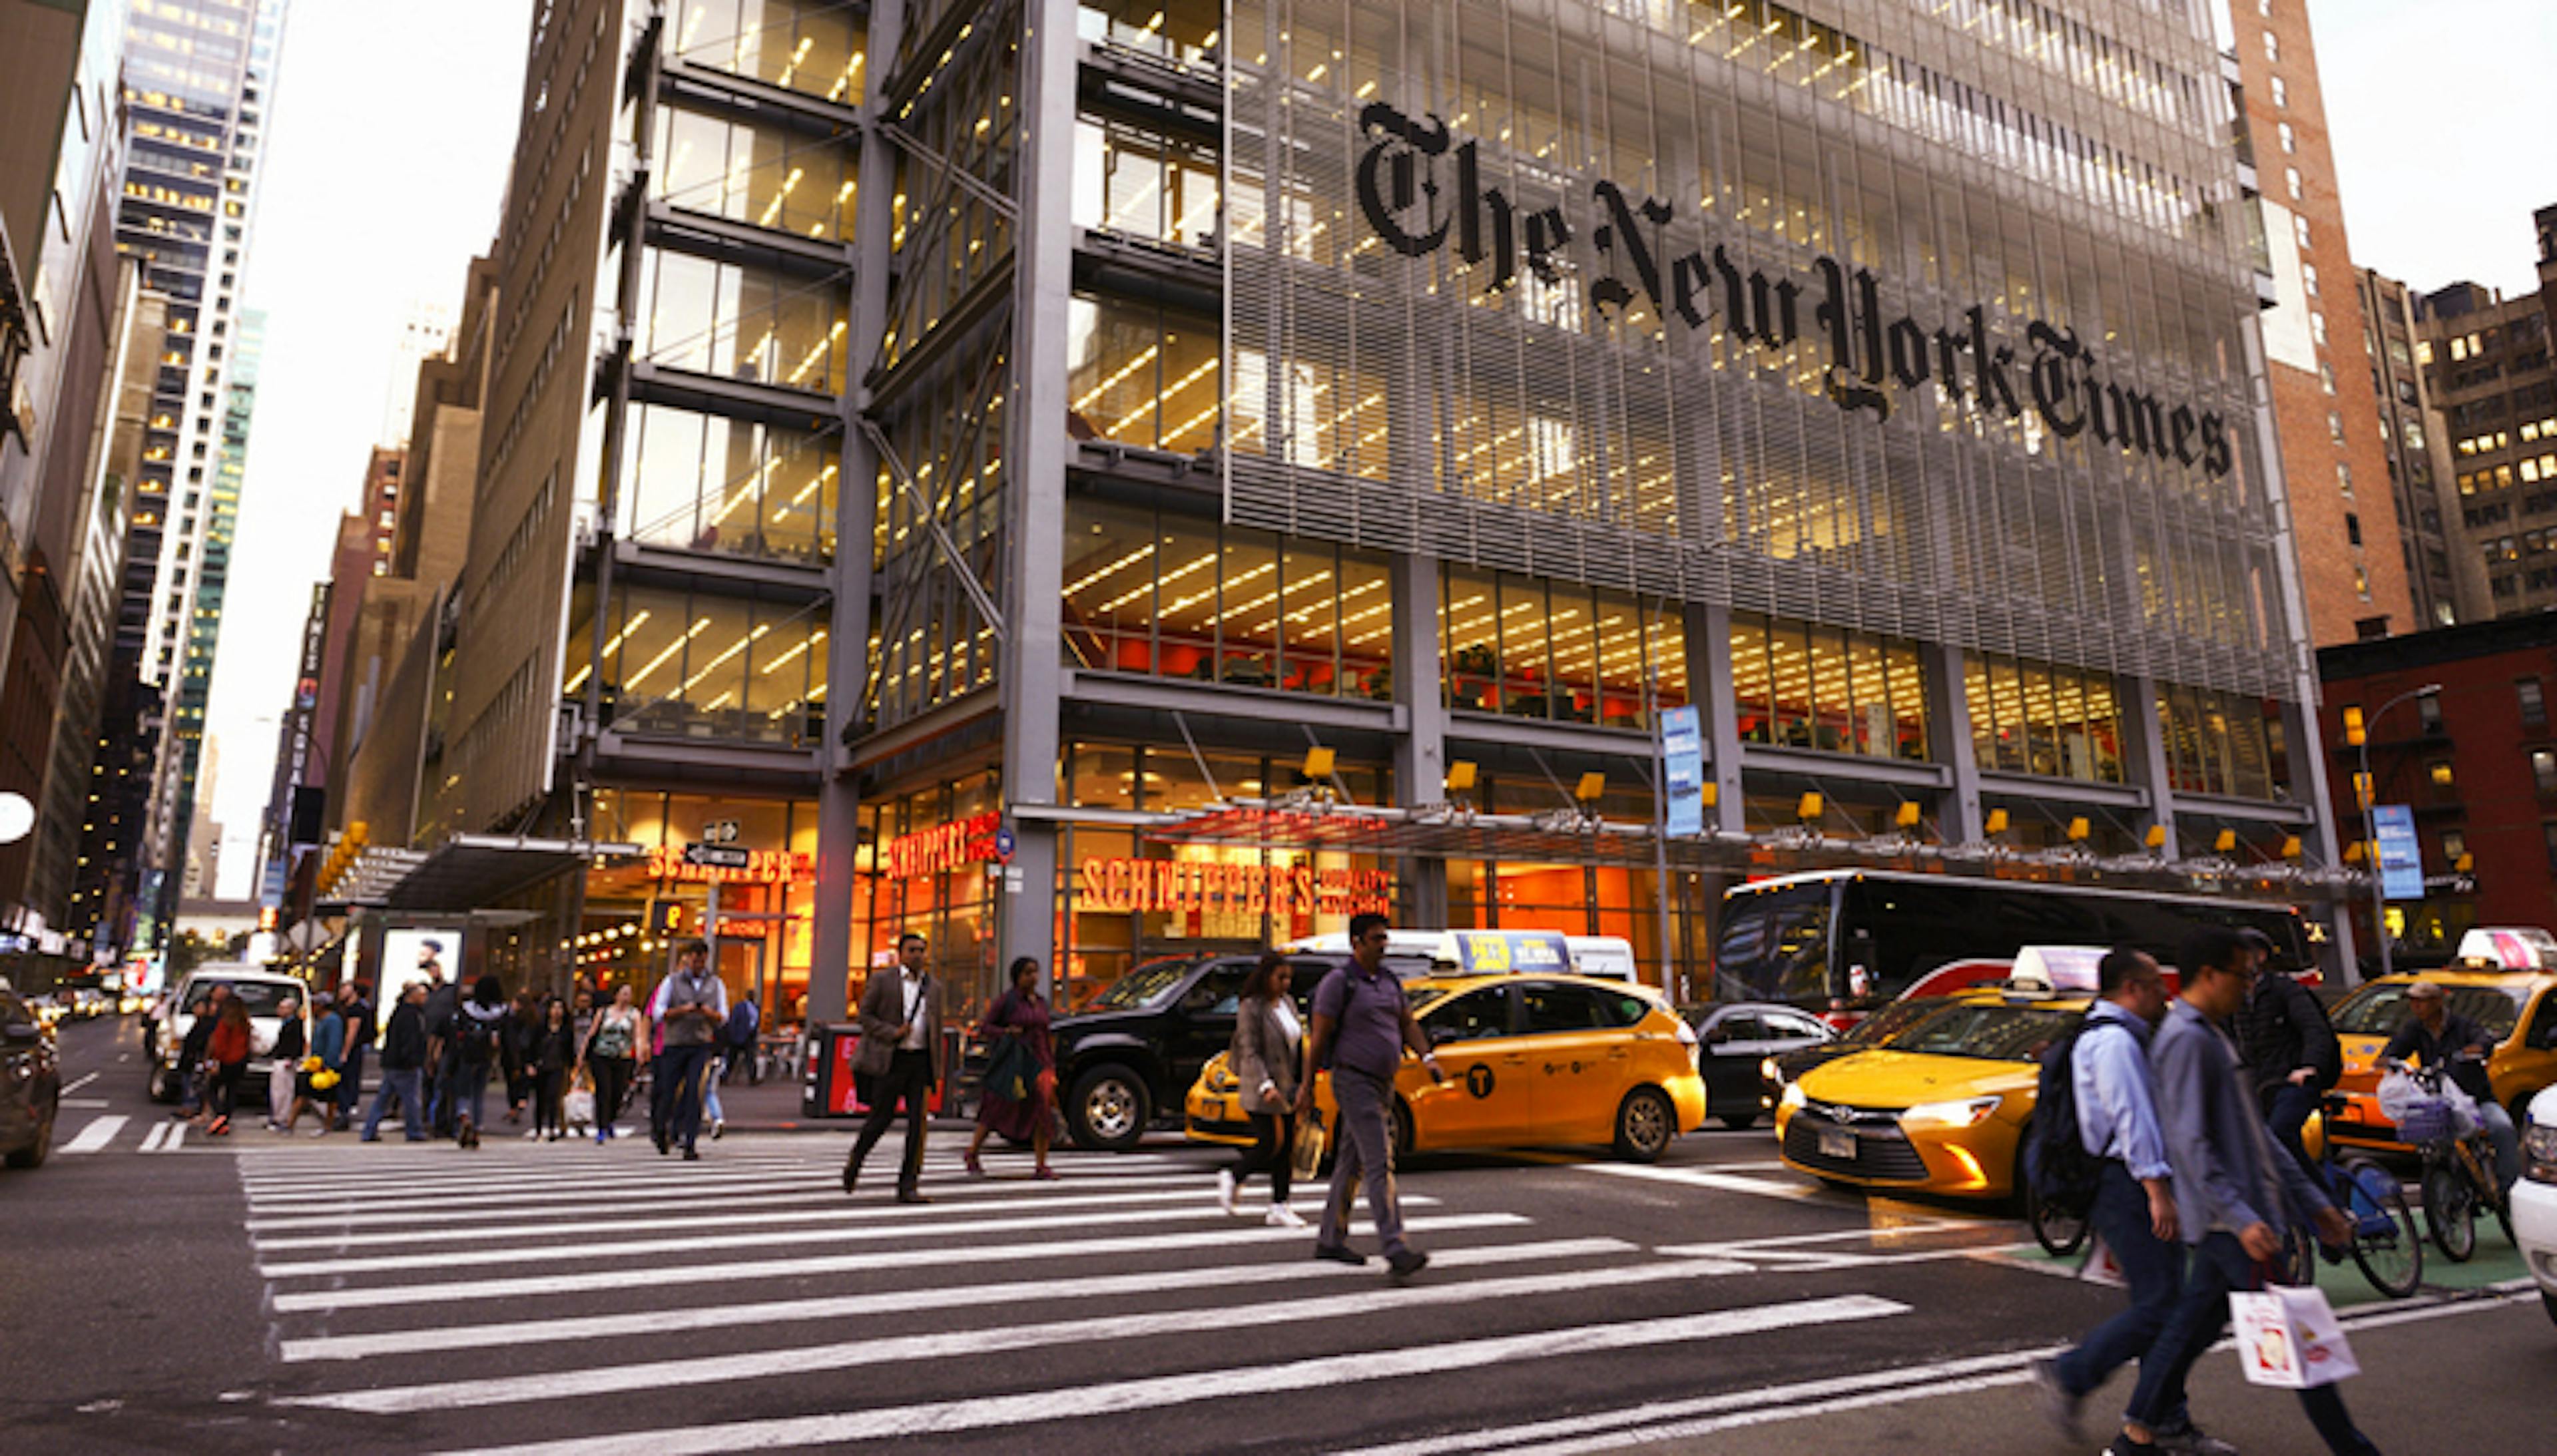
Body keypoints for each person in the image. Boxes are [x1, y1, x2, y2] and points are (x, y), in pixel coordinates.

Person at [2118, 927, 2370, 1456]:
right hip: (2232, 1223)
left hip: (2232, 1219)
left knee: (2193, 1327)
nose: (2248, 984)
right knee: (2299, 1341)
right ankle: (2354, 1449)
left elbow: (2254, 1137)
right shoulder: (2187, 1040)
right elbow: (2189, 1141)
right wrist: (2240, 1216)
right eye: (2241, 973)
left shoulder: (2211, 1034)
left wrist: (2314, 1203)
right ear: (2208, 975)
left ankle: (2137, 1432)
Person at [2032, 949, 2187, 1444]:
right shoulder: (2115, 1042)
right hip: (2125, 1182)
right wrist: (2156, 1188)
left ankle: (2167, 1417)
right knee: (2166, 1304)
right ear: (2132, 988)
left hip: (2121, 1181)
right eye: (2157, 985)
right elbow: (2131, 1118)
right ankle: (2072, 1373)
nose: (2165, 995)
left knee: (2160, 1301)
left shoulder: (2101, 1034)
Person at [1297, 912, 1445, 1282]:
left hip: (1383, 1083)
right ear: (1357, 943)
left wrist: (1427, 1057)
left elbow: (1407, 1022)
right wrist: (1306, 1086)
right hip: (1353, 1081)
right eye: (1376, 938)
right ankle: (1394, 1246)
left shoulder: (1390, 981)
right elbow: (1319, 1037)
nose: (1384, 944)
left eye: (1385, 938)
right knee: (1380, 1160)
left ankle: (1330, 1238)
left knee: (1352, 1162)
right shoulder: (1339, 983)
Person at [2383, 979, 2520, 1200]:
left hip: (2476, 1100)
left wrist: (2476, 1050)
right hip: (2440, 1102)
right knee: (2435, 1147)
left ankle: (2509, 1191)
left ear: (2437, 1003)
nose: (2416, 1007)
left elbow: (2483, 1041)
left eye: (2421, 1002)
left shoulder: (2463, 1025)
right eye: (2413, 1002)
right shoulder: (2415, 1028)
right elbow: (2396, 1047)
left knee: (2502, 1128)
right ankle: (2446, 1211)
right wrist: (2387, 1060)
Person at [2230, 926, 2341, 1176]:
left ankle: (2326, 1205)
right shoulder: (2233, 999)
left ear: (2260, 957)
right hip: (2258, 1085)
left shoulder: (2285, 990)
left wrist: (2309, 1066)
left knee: (2280, 1137)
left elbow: (2315, 1029)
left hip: (2292, 1081)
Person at [843, 931, 943, 1202]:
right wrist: (891, 1032)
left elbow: (936, 1028)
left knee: (917, 1125)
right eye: (912, 950)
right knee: (881, 1118)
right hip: (892, 1060)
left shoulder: (934, 987)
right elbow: (865, 1016)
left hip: (920, 1062)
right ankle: (856, 1160)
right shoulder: (882, 981)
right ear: (901, 954)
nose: (918, 955)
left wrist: (938, 1069)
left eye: (922, 950)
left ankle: (908, 1183)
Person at [1221, 951, 1304, 1226]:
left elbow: (1297, 1045)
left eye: (1289, 978)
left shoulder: (1288, 1004)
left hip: (1288, 1085)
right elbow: (1249, 1050)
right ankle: (1234, 1175)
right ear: (1266, 977)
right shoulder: (1251, 1007)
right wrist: (1265, 1084)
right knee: (1270, 1142)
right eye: (1280, 977)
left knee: (1286, 1147)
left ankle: (1280, 1205)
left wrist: (1304, 1083)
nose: (1285, 984)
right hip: (1261, 1085)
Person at [964, 957, 1057, 1180]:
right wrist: (1006, 1032)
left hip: (1040, 1062)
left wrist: (1051, 1065)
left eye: (1035, 972)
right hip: (1014, 1063)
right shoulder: (1007, 1001)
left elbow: (1046, 1033)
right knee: (998, 1108)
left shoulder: (1041, 1002)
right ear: (1017, 976)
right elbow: (986, 1026)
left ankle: (1041, 1164)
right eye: (1027, 973)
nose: (1033, 977)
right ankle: (973, 1151)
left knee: (1042, 1110)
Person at [651, 940, 727, 1160]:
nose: (697, 963)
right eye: (694, 958)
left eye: (701, 959)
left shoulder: (716, 984)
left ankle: (690, 1142)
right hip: (675, 1043)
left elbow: (724, 1016)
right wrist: (680, 1011)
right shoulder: (671, 982)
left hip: (700, 1044)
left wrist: (709, 1014)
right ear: (687, 959)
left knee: (695, 1090)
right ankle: (662, 1130)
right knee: (668, 1091)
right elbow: (658, 1012)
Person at [362, 980, 431, 1142]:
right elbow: (410, 1040)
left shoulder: (399, 1011)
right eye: (422, 995)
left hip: (392, 1061)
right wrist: (413, 1059)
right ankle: (414, 1131)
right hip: (404, 1064)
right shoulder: (412, 1016)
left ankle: (369, 1130)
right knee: (411, 1099)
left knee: (383, 1099)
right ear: (413, 996)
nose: (425, 998)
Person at [448, 975, 510, 1149]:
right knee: (478, 1092)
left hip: (467, 1054)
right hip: (487, 1055)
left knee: (463, 1089)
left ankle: (463, 1115)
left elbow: (456, 1034)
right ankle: (476, 1126)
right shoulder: (501, 1012)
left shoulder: (467, 1009)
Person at [581, 983, 644, 1142]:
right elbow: (592, 1033)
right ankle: (601, 1127)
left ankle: (610, 1119)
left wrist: (640, 1052)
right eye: (623, 993)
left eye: (629, 994)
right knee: (604, 1090)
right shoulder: (604, 1012)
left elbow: (637, 1035)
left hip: (623, 1056)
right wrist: (582, 1054)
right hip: (602, 1055)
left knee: (618, 1092)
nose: (626, 997)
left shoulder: (634, 1014)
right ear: (616, 995)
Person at [280, 993, 346, 1137]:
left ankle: (327, 1125)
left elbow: (334, 1044)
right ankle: (290, 1124)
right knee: (304, 1094)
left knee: (328, 1098)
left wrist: (328, 1063)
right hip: (315, 1063)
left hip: (325, 1065)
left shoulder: (333, 1021)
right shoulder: (321, 1020)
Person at [525, 996, 577, 1141]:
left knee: (554, 1097)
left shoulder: (566, 1031)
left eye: (560, 1008)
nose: (557, 1012)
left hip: (558, 1066)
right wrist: (530, 1064)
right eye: (554, 1008)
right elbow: (531, 1046)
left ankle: (553, 1127)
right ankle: (539, 1128)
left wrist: (573, 1067)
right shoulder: (540, 1028)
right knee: (540, 1098)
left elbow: (570, 1051)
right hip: (542, 1065)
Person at [202, 996, 253, 1136]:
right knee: (232, 1090)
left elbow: (219, 1045)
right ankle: (225, 1121)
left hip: (225, 1060)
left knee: (211, 1089)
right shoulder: (244, 1024)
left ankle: (220, 1115)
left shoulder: (225, 1023)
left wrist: (213, 1061)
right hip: (240, 1061)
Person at [334, 981, 374, 1131]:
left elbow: (352, 1032)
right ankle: (345, 1110)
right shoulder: (346, 1008)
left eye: (345, 989)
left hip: (353, 1050)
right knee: (347, 1080)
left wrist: (345, 1052)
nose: (341, 992)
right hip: (353, 1049)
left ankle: (345, 1112)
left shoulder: (356, 1010)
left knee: (347, 1080)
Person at [264, 995, 305, 1132]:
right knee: (276, 1090)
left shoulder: (295, 1024)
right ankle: (277, 1115)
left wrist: (292, 1058)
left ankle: (282, 1117)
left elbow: (297, 1042)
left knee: (284, 1090)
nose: (279, 1010)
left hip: (286, 1060)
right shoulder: (286, 1024)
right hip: (281, 1058)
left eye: (283, 1008)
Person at [723, 991, 762, 1085]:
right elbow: (733, 1021)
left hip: (750, 1037)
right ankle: (724, 1077)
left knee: (750, 1058)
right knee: (732, 1059)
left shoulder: (756, 1007)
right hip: (738, 1037)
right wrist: (732, 1035)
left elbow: (756, 1021)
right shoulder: (740, 1007)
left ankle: (752, 1078)